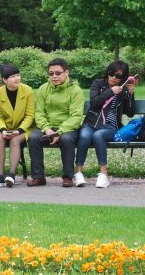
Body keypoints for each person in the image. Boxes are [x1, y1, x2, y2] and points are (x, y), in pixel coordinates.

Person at [74, 60, 136, 189]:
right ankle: (78, 173)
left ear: (124, 77)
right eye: (111, 73)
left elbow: (130, 113)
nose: (113, 77)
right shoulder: (98, 83)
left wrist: (131, 95)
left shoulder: (124, 90)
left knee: (98, 135)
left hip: (110, 126)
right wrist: (110, 91)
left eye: (118, 76)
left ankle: (103, 174)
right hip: (91, 123)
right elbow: (94, 103)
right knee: (84, 136)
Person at [27, 58, 84, 188]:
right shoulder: (43, 89)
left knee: (66, 140)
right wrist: (46, 128)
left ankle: (68, 177)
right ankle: (38, 177)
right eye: (51, 73)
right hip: (47, 127)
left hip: (67, 128)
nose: (54, 76)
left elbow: (76, 117)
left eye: (58, 73)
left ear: (66, 72)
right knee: (34, 138)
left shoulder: (75, 90)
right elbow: (39, 113)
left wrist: (60, 131)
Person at [0, 65, 35, 188]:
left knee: (15, 140)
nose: (17, 78)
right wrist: (3, 130)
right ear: (4, 80)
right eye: (12, 76)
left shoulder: (28, 91)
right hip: (5, 126)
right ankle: (0, 175)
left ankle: (11, 175)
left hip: (24, 127)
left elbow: (30, 116)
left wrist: (19, 130)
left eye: (18, 75)